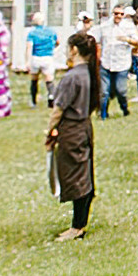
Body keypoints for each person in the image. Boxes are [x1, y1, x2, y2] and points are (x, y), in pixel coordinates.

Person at [45, 29, 100, 240]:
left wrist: (50, 131)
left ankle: (77, 227)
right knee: (84, 173)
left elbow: (57, 110)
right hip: (84, 126)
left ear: (74, 50)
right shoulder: (89, 73)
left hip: (72, 129)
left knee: (76, 177)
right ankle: (80, 222)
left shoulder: (72, 77)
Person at [96, 5, 138, 119]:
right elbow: (98, 42)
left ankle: (124, 109)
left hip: (122, 63)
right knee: (104, 92)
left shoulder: (128, 26)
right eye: (116, 13)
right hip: (106, 62)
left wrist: (127, 39)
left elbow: (137, 42)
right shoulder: (105, 26)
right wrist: (98, 57)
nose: (118, 16)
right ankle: (103, 114)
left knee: (121, 90)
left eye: (121, 14)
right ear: (112, 14)